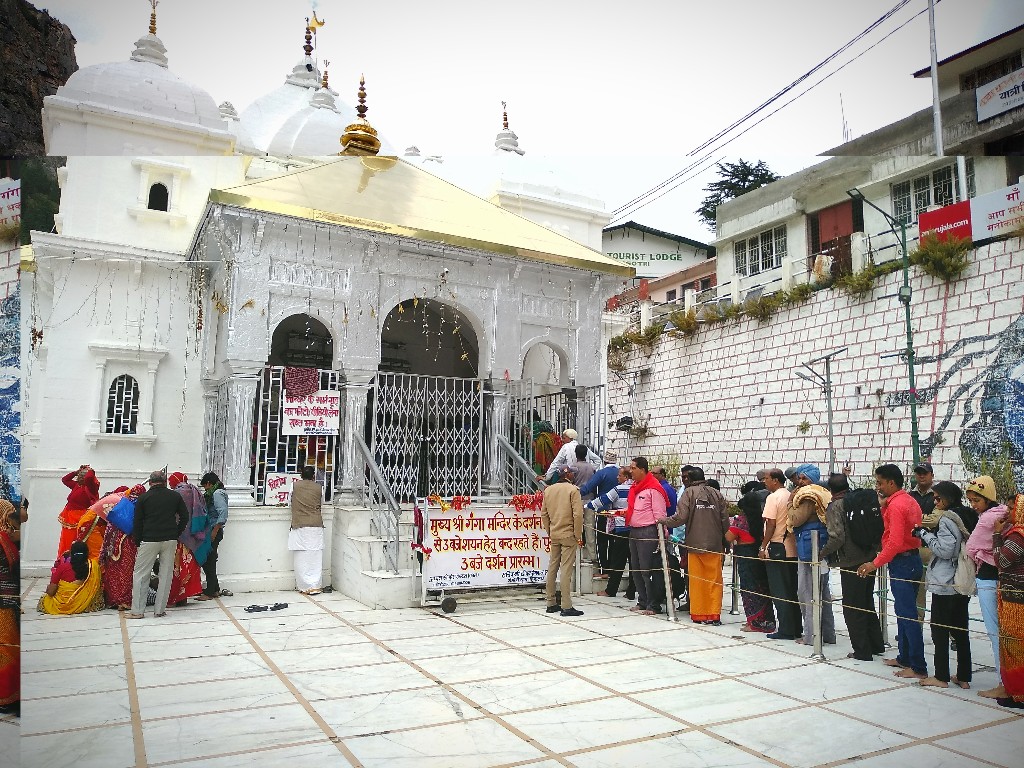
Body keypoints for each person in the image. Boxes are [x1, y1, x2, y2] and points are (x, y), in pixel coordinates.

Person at [857, 464, 927, 680]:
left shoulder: (897, 505)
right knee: (904, 611)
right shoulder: (907, 500)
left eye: (879, 483)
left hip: (902, 561)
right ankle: (905, 656)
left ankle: (917, 665)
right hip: (912, 558)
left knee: (908, 614)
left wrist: (874, 564)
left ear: (891, 483)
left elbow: (895, 542)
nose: (877, 487)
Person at [821, 474, 884, 661]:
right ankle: (876, 644)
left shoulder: (836, 506)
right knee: (866, 601)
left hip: (850, 561)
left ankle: (862, 650)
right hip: (869, 557)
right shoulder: (860, 500)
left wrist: (822, 553)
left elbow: (837, 536)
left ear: (830, 490)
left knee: (852, 606)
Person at [914, 498, 972, 689]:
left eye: (938, 498)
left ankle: (941, 676)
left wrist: (925, 535)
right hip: (962, 581)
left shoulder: (947, 520)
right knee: (960, 631)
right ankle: (964, 676)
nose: (935, 501)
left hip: (945, 582)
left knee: (939, 630)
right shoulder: (969, 516)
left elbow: (945, 551)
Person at [660, 467, 728, 624]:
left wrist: (663, 520)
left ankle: (700, 614)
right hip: (715, 545)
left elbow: (680, 518)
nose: (683, 480)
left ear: (690, 479)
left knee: (697, 580)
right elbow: (724, 520)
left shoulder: (688, 493)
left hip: (695, 545)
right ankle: (714, 614)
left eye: (684, 477)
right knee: (714, 581)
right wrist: (726, 542)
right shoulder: (717, 494)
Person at [964, 475, 1009, 698]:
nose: (973, 505)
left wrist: (982, 554)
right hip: (1005, 577)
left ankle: (1004, 683)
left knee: (995, 632)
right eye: (971, 500)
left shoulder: (986, 520)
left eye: (976, 500)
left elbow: (971, 547)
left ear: (987, 498)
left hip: (989, 577)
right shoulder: (1005, 513)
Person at [128, 471, 188, 619]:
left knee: (141, 574)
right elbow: (185, 516)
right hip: (170, 539)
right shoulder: (175, 496)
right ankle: (159, 610)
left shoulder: (144, 498)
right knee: (166, 574)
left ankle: (138, 611)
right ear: (165, 482)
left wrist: (138, 540)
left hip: (149, 539)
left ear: (150, 482)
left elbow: (137, 522)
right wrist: (176, 532)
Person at [787, 464, 836, 646]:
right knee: (823, 592)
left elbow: (795, 519)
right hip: (820, 547)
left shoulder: (808, 496)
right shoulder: (822, 492)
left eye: (804, 478)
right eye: (799, 478)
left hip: (810, 548)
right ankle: (828, 634)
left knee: (807, 592)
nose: (800, 482)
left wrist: (789, 503)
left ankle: (811, 636)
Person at [729, 481, 775, 633]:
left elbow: (728, 537)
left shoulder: (741, 520)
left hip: (745, 556)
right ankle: (767, 621)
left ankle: (754, 622)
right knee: (763, 588)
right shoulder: (761, 519)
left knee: (749, 590)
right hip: (758, 553)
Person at [760, 468, 801, 640]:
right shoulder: (790, 494)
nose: (764, 481)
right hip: (792, 548)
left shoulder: (773, 497)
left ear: (775, 480)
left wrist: (763, 547)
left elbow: (770, 524)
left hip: (777, 547)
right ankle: (796, 627)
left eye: (767, 478)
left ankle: (786, 629)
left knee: (780, 591)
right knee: (791, 590)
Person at [625, 456, 668, 616]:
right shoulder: (636, 488)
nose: (631, 471)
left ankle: (653, 604)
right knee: (635, 568)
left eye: (633, 468)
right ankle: (642, 600)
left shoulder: (654, 489)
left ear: (643, 470)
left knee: (647, 569)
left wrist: (661, 537)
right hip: (634, 531)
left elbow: (659, 514)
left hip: (648, 532)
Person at [993, 493, 1024, 709]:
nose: (1007, 510)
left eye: (1012, 507)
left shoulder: (1018, 536)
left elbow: (1002, 561)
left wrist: (996, 535)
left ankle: (1018, 694)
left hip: (1016, 601)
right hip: (1016, 597)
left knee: (1015, 647)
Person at [540, 472, 584, 617]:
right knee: (566, 569)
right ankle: (566, 605)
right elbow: (578, 515)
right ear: (569, 476)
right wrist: (578, 534)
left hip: (555, 533)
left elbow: (544, 514)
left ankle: (551, 602)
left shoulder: (548, 490)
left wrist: (550, 531)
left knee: (552, 567)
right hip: (568, 534)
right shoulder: (573, 490)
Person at [100, 485, 146, 610]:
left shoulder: (120, 505)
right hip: (128, 543)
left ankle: (112, 600)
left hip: (113, 543)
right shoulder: (140, 506)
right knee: (127, 572)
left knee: (114, 571)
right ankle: (125, 601)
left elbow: (109, 526)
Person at [588, 466, 631, 598]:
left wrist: (587, 506)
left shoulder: (619, 489)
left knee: (618, 561)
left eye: (620, 475)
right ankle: (631, 592)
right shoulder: (637, 488)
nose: (617, 477)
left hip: (622, 528)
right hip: (635, 529)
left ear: (626, 477)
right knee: (634, 562)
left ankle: (610, 590)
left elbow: (603, 500)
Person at [167, 472, 208, 606]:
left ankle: (177, 597)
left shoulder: (177, 494)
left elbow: (175, 515)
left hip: (179, 535)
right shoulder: (194, 490)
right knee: (189, 565)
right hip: (193, 534)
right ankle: (186, 595)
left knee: (177, 567)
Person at [580, 451, 621, 577]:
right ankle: (615, 570)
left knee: (602, 541)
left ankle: (604, 570)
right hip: (618, 513)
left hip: (603, 510)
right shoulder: (621, 473)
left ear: (604, 461)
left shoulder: (602, 473)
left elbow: (588, 487)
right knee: (614, 542)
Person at [38, 541, 104, 615]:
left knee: (44, 600)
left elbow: (51, 592)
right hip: (85, 603)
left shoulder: (62, 567)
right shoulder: (93, 566)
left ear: (71, 554)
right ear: (87, 553)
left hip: (62, 606)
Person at [289, 466, 325, 595]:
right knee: (315, 556)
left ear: (300, 475)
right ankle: (315, 585)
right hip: (316, 525)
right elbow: (321, 504)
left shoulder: (294, 486)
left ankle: (304, 586)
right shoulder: (319, 488)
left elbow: (289, 502)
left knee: (301, 556)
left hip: (300, 525)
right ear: (313, 476)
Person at [197, 471, 229, 601]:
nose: (205, 489)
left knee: (209, 560)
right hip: (211, 529)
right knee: (210, 558)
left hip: (213, 530)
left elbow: (223, 513)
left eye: (205, 486)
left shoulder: (217, 493)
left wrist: (215, 530)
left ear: (209, 483)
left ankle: (210, 591)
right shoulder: (215, 493)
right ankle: (214, 588)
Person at [910, 462, 936, 620]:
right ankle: (916, 626)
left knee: (945, 592)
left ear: (932, 475)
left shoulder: (938, 494)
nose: (921, 475)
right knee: (918, 591)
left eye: (925, 472)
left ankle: (952, 635)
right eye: (919, 472)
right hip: (916, 548)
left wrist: (915, 520)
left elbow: (936, 519)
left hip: (935, 549)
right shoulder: (910, 495)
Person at [56, 464, 99, 559]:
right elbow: (65, 479)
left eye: (82, 475)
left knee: (75, 539)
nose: (79, 477)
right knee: (66, 539)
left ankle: (73, 559)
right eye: (79, 475)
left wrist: (90, 470)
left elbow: (89, 478)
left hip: (79, 518)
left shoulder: (91, 488)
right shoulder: (77, 485)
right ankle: (64, 559)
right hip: (69, 517)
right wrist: (76, 471)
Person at [0, 501, 19, 715]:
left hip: (4, 602)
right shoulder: (8, 539)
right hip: (8, 600)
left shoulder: (5, 538)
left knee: (5, 646)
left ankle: (7, 696)